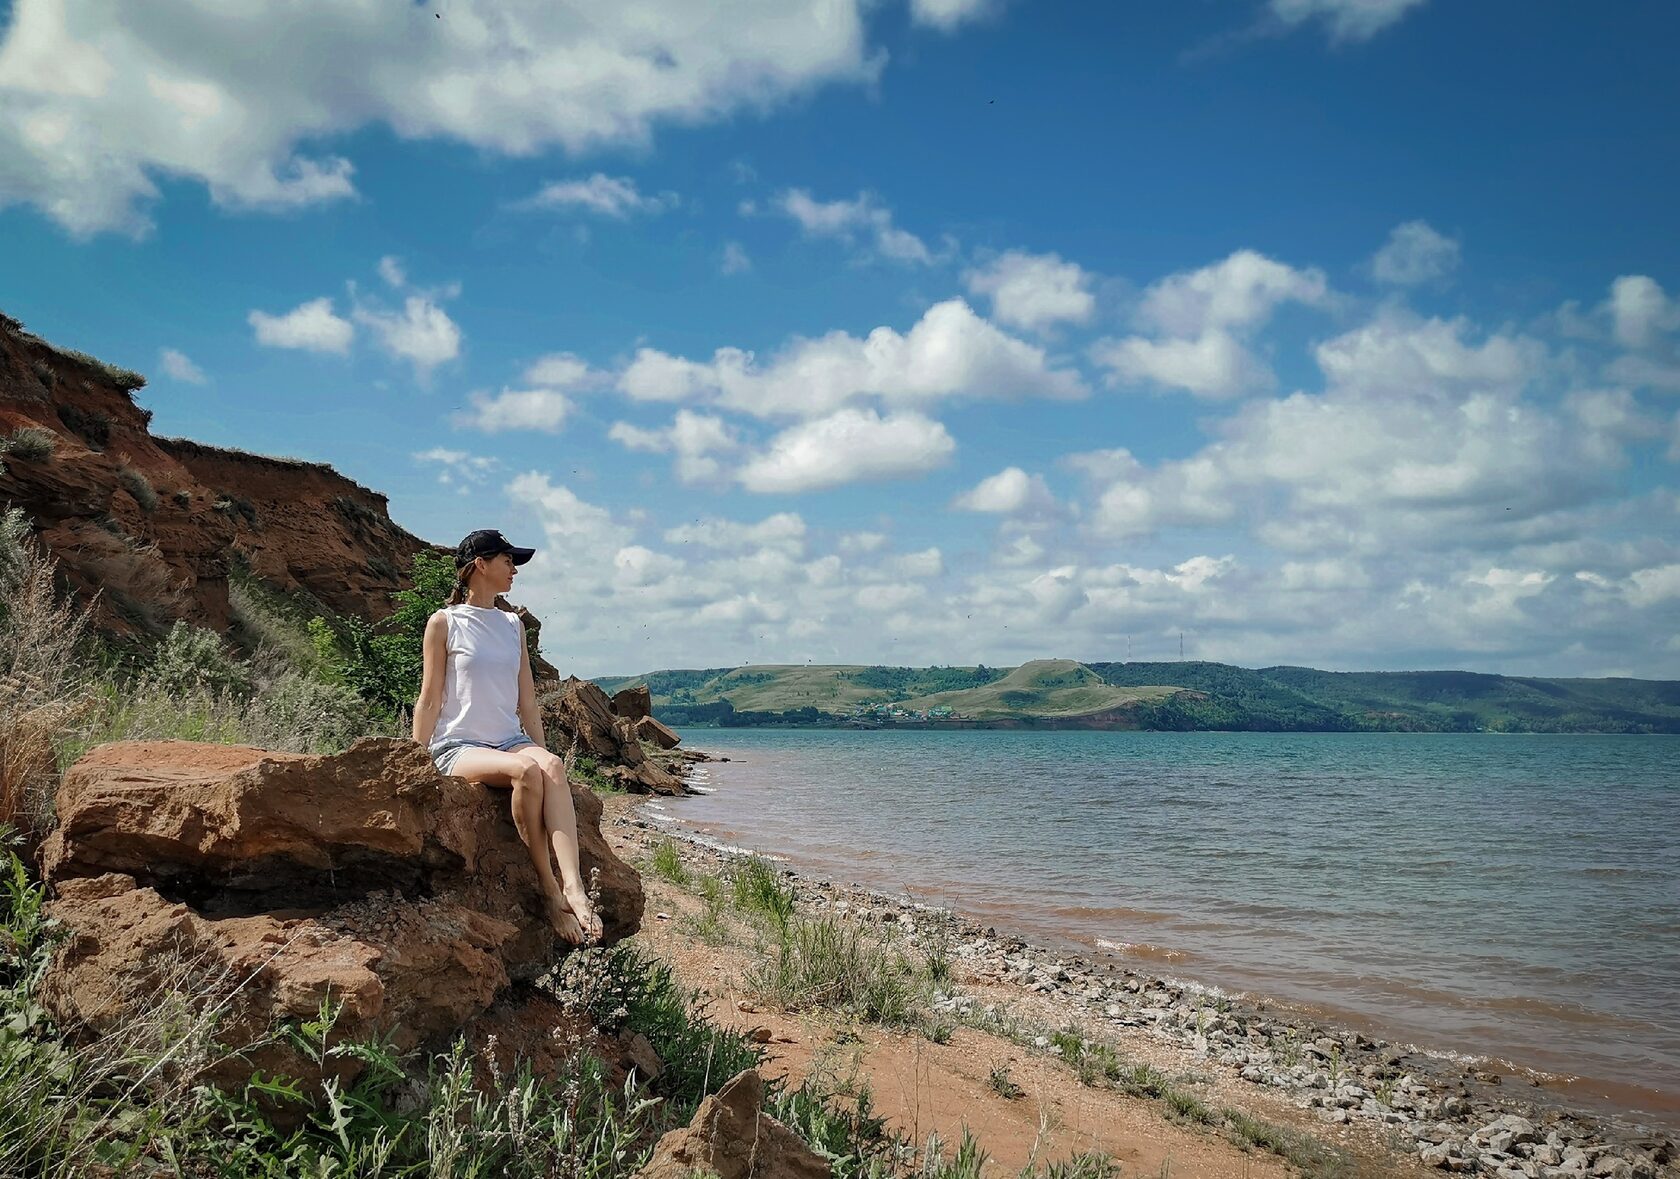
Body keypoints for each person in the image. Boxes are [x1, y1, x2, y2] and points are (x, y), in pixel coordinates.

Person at [412, 529, 602, 945]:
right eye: (507, 561)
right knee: (525, 773)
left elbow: (528, 703)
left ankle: (575, 888)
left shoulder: (512, 625)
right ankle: (550, 894)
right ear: (480, 564)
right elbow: (428, 700)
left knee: (549, 767)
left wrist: (544, 754)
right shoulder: (444, 623)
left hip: (508, 737)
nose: (514, 569)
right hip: (458, 746)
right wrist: (414, 759)